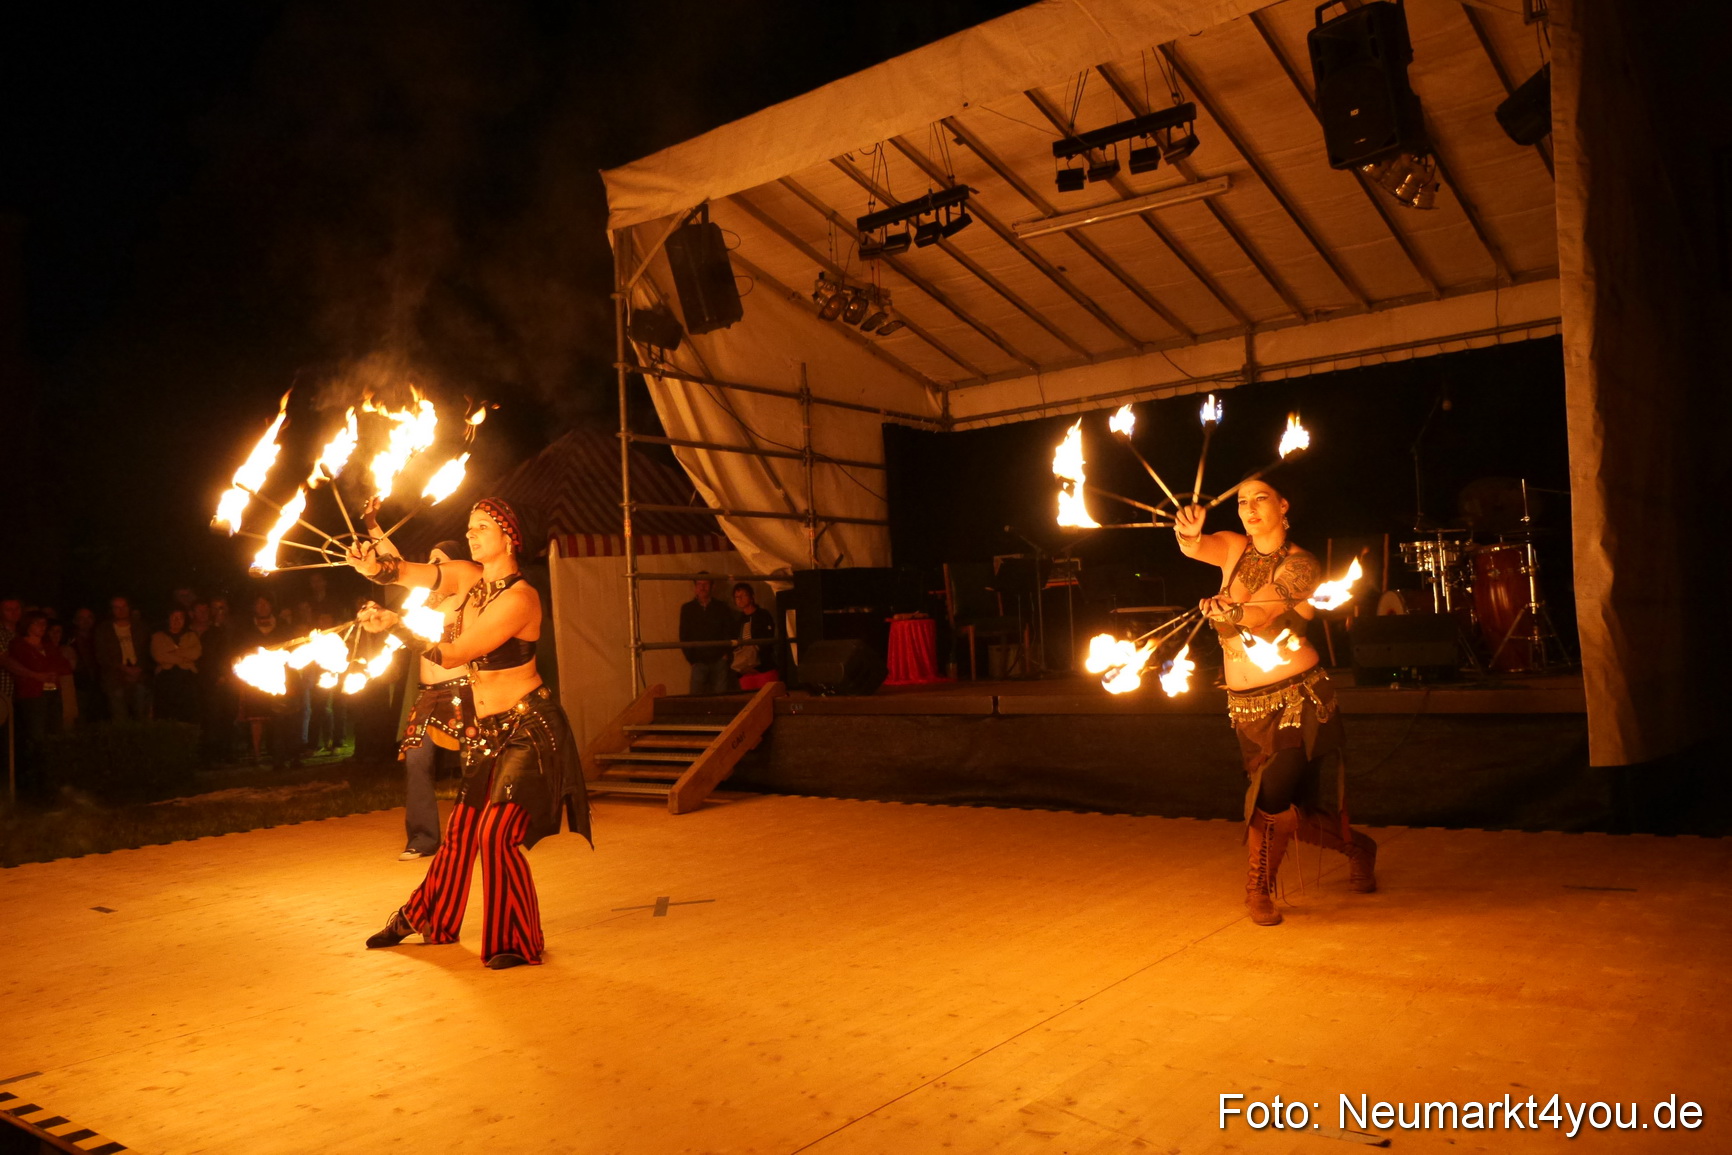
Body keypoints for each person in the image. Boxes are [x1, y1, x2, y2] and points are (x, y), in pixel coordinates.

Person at [350, 497, 590, 969]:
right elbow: (407, 573)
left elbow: (458, 653)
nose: (472, 534)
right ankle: (428, 917)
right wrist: (373, 566)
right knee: (461, 832)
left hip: (528, 727)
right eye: (469, 526)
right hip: (486, 731)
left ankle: (516, 941)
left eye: (483, 527)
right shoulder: (467, 576)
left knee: (496, 833)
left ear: (509, 536)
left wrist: (398, 628)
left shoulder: (521, 598)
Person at [1173, 481, 1376, 927]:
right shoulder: (1232, 548)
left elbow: (1264, 614)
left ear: (1283, 505)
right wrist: (1187, 530)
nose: (1249, 508)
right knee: (1293, 812)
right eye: (1242, 501)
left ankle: (1258, 889)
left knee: (1270, 798)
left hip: (1297, 701)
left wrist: (1231, 614)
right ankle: (1358, 847)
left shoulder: (1301, 565)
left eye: (1260, 498)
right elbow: (1195, 549)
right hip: (1245, 706)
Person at [366, 509, 473, 859]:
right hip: (428, 695)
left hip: (464, 691)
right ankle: (424, 838)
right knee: (416, 760)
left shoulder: (464, 602)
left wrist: (398, 622)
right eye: (430, 562)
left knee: (476, 766)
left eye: (440, 563)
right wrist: (371, 523)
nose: (432, 569)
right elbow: (394, 562)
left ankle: (480, 833)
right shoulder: (423, 601)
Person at [8, 611, 72, 798]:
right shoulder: (19, 645)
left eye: (44, 624)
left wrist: (51, 672)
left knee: (54, 734)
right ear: (28, 625)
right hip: (32, 695)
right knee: (36, 736)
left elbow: (63, 665)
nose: (42, 628)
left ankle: (53, 780)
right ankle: (35, 782)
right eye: (38, 624)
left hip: (52, 693)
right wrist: (40, 674)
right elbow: (28, 666)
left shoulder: (49, 646)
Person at [95, 596, 152, 721]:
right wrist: (122, 668)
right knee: (119, 717)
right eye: (117, 607)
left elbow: (148, 650)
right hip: (115, 680)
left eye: (124, 607)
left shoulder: (141, 627)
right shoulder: (104, 630)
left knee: (142, 717)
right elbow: (102, 655)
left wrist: (139, 668)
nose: (121, 610)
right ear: (112, 610)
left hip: (140, 678)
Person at [678, 575, 736, 695]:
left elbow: (728, 630)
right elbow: (684, 635)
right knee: (696, 698)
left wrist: (725, 654)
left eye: (705, 584)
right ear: (695, 587)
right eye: (699, 584)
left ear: (712, 587)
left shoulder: (721, 607)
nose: (702, 588)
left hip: (719, 658)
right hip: (698, 660)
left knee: (721, 697)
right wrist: (691, 658)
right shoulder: (688, 609)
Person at [150, 608, 203, 724]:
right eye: (174, 617)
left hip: (187, 680)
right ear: (168, 618)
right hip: (166, 679)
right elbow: (159, 656)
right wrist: (184, 656)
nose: (177, 620)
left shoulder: (191, 636)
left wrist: (172, 653)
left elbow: (195, 653)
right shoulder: (158, 636)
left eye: (180, 617)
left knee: (187, 713)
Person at [730, 582, 778, 690]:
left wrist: (756, 655)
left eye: (743, 595)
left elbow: (767, 638)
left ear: (752, 597)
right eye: (737, 597)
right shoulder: (738, 620)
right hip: (745, 672)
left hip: (764, 668)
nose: (740, 599)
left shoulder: (763, 615)